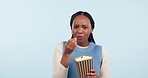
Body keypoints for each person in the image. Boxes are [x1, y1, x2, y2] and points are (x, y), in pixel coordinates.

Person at [52, 11, 110, 78]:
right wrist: (66, 54)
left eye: (84, 27)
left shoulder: (102, 51)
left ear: (92, 29)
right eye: (76, 27)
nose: (79, 31)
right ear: (71, 28)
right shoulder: (60, 47)